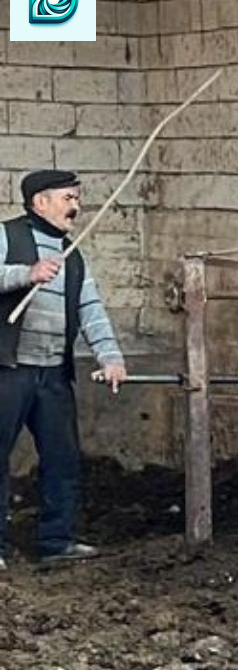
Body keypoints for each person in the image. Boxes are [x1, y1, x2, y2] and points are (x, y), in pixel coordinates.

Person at [0, 169, 127, 570]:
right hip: (8, 369)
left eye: (76, 197)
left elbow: (90, 310)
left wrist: (110, 356)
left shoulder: (73, 255)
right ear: (41, 201)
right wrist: (27, 273)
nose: (76, 206)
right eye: (68, 198)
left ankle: (57, 541)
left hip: (53, 372)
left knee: (63, 458)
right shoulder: (6, 236)